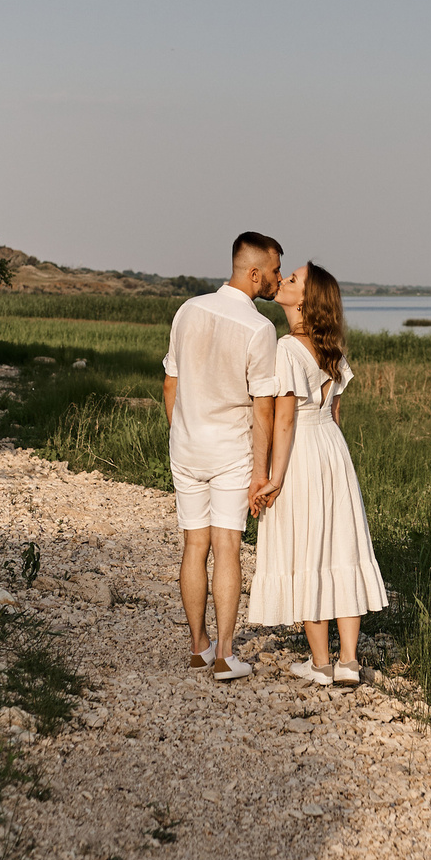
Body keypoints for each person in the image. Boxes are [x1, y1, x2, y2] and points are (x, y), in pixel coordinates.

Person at [246, 262, 389, 686]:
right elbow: (335, 413)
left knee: (307, 550)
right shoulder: (332, 350)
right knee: (341, 548)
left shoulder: (288, 349)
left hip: (302, 451)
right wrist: (336, 464)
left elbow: (286, 419)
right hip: (332, 449)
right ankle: (349, 662)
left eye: (293, 279)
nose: (283, 280)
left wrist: (274, 477)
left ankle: (321, 663)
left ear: (306, 299)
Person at [163, 232, 285, 681]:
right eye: (274, 271)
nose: (277, 279)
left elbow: (171, 384)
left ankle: (199, 647)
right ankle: (225, 654)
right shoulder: (260, 329)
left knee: (194, 545)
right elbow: (263, 408)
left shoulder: (188, 310)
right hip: (231, 452)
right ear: (254, 273)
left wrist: (183, 433)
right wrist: (261, 472)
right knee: (227, 547)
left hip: (186, 446)